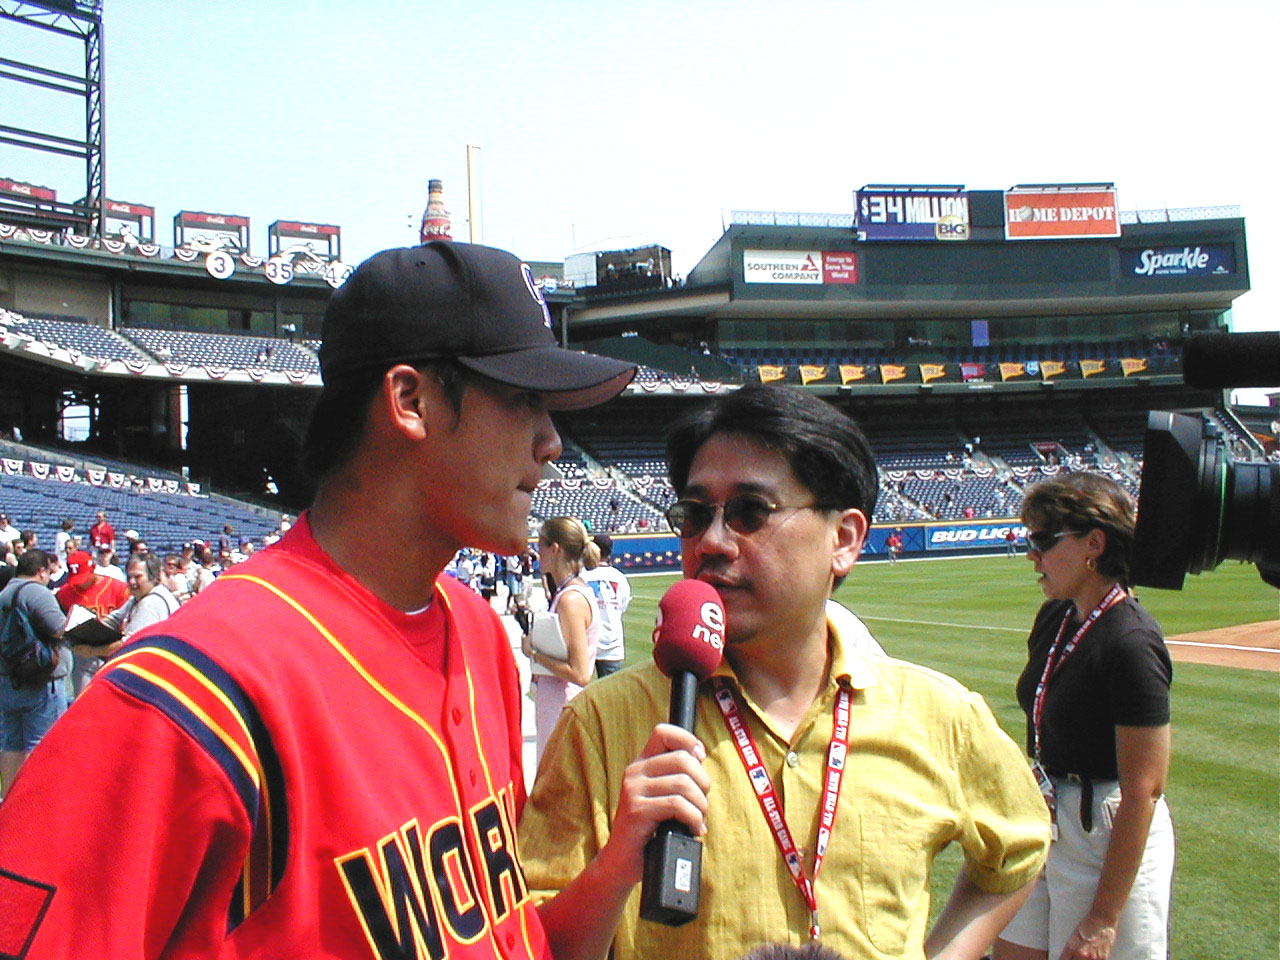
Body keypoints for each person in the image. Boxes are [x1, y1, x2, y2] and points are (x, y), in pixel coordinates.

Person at [0, 240, 635, 956]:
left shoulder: (479, 632)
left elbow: (496, 934)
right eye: (523, 400)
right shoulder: (185, 693)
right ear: (410, 401)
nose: (552, 441)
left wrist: (617, 867)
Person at [519, 384, 1051, 960]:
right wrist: (617, 865)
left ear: (843, 539)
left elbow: (1019, 851)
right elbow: (534, 943)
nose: (712, 541)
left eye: (750, 512)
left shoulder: (939, 716)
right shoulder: (601, 725)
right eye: (693, 516)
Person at [994, 473, 1174, 960]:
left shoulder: (1131, 641)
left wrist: (1104, 917)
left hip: (1106, 832)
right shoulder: (1056, 616)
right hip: (1045, 816)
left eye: (1043, 540)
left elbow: (1144, 788)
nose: (1032, 555)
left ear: (1094, 544)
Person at [522, 517, 600, 764]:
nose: (537, 552)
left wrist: (534, 653)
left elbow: (580, 673)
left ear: (555, 549)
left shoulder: (570, 600)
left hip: (562, 708)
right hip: (557, 706)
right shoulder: (568, 594)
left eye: (540, 545)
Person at [0, 549, 68, 798]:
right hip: (40, 681)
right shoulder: (37, 592)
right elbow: (60, 629)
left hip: (7, 679)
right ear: (41, 571)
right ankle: (34, 803)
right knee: (40, 745)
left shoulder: (3, 593)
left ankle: (8, 803)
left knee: (11, 744)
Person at [54, 550, 129, 697]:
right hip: (83, 657)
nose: (81, 583)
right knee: (84, 700)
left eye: (84, 577)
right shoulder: (65, 593)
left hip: (113, 653)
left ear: (93, 568)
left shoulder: (118, 588)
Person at [581, 533, 631, 678]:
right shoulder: (619, 577)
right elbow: (622, 607)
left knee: (580, 690)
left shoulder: (583, 576)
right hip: (612, 645)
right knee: (611, 691)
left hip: (587, 643)